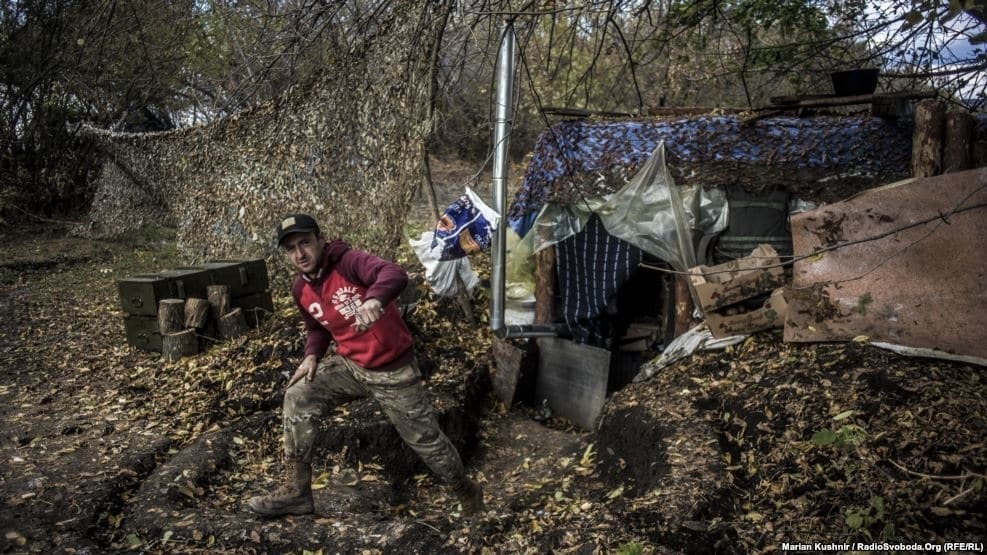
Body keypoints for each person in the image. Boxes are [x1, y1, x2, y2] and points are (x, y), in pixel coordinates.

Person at [247, 214, 483, 517]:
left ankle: (466, 491)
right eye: (291, 248)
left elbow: (394, 273)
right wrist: (311, 355)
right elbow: (317, 328)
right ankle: (297, 492)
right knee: (298, 395)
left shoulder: (349, 262)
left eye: (305, 243)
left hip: (393, 371)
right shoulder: (300, 289)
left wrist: (374, 300)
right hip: (350, 367)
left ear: (320, 239)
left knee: (428, 444)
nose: (300, 254)